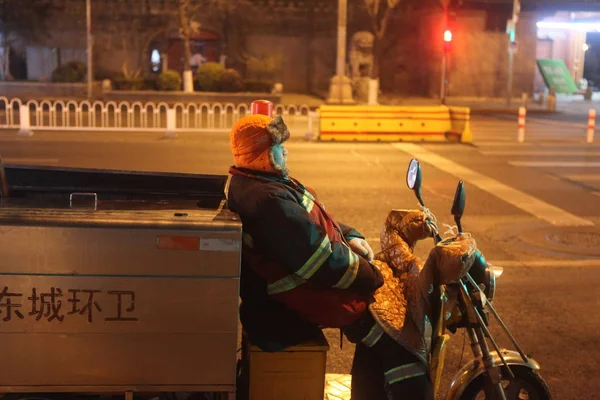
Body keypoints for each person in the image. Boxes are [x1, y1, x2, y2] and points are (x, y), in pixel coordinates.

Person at [226, 101, 476, 399]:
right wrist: (371, 275)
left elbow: (313, 224)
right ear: (263, 154)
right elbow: (319, 260)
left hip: (298, 293)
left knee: (377, 336)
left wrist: (351, 235)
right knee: (401, 344)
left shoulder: (261, 182)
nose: (287, 151)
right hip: (294, 303)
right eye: (280, 147)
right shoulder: (269, 200)